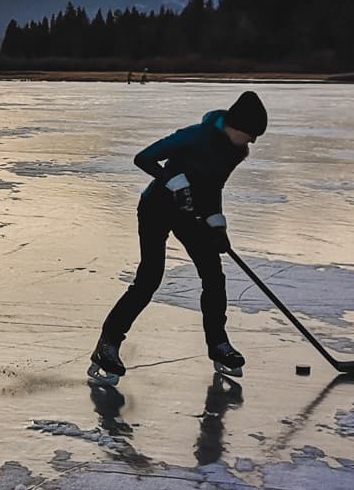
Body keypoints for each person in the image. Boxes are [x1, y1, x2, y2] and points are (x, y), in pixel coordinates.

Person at [90, 90, 268, 383]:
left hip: (192, 215)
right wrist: (175, 182)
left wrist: (217, 225)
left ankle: (219, 345)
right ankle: (107, 344)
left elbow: (214, 188)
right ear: (235, 126)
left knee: (213, 276)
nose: (252, 142)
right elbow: (144, 158)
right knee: (149, 279)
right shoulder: (195, 136)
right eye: (250, 134)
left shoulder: (236, 151)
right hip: (156, 208)